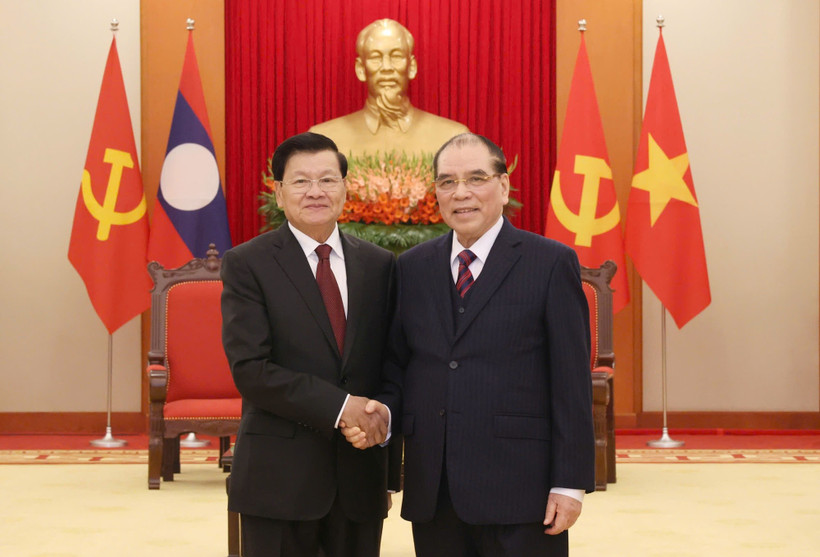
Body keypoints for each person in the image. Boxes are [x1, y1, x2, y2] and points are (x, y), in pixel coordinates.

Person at [344, 133, 595, 556]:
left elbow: (571, 381)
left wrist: (569, 484)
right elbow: (398, 367)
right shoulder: (412, 267)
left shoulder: (550, 262)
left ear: (504, 186)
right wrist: (383, 414)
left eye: (476, 178)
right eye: (447, 182)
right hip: (434, 487)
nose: (461, 193)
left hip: (522, 488)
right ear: (436, 193)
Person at [221, 132, 397, 557]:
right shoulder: (247, 264)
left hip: (360, 478)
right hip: (278, 481)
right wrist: (341, 407)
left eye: (327, 180)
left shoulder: (379, 265)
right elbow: (251, 370)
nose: (315, 191)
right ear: (279, 192)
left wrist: (383, 417)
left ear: (345, 188)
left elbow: (394, 363)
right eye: (301, 181)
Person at [309, 18, 468, 157]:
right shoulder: (323, 141)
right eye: (375, 57)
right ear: (360, 69)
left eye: (396, 56)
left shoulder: (452, 138)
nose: (386, 67)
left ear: (412, 66)